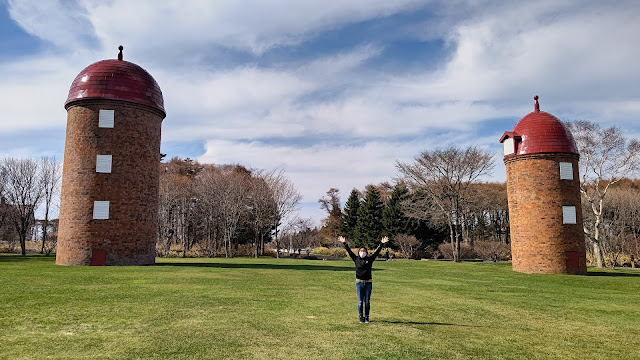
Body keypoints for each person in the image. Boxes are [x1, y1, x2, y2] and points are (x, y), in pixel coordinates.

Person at [338, 235, 389, 323]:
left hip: (368, 283)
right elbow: (349, 251)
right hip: (359, 283)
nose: (362, 252)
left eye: (364, 251)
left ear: (366, 252)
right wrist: (344, 243)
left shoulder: (370, 259)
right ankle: (361, 317)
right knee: (360, 301)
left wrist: (382, 244)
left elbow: (376, 252)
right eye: (361, 251)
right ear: (358, 252)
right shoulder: (356, 259)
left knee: (367, 302)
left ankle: (367, 317)